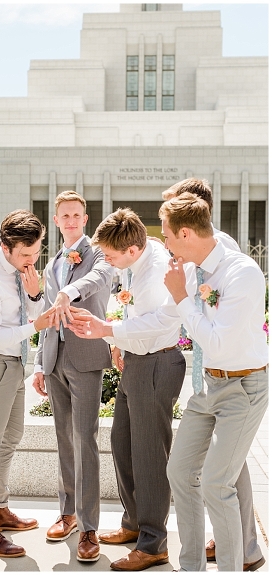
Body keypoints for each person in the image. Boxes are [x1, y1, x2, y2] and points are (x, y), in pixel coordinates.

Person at [67, 209, 186, 571]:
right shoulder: (139, 254)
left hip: (157, 364)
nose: (110, 263)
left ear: (133, 250)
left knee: (150, 459)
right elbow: (135, 311)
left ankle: (154, 544)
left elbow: (163, 321)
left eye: (114, 257)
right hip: (136, 361)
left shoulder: (157, 273)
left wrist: (107, 330)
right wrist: (120, 338)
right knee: (122, 445)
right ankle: (134, 523)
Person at [160, 194, 267, 572]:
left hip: (244, 389)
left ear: (186, 232)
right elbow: (169, 315)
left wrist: (181, 298)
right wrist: (111, 331)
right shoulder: (193, 269)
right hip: (208, 387)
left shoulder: (242, 273)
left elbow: (217, 340)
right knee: (179, 471)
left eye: (167, 235)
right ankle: (191, 567)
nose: (165, 243)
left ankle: (231, 568)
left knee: (216, 485)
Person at [0, 210, 55, 558]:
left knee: (11, 437)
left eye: (37, 253)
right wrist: (35, 325)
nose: (32, 261)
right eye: (25, 255)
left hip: (14, 364)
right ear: (5, 247)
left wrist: (34, 296)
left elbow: (33, 315)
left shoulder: (22, 272)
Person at [32, 190, 113, 562]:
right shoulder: (52, 263)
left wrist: (68, 291)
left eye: (76, 215)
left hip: (85, 357)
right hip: (54, 358)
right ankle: (67, 513)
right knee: (63, 439)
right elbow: (47, 317)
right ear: (55, 220)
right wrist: (38, 363)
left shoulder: (97, 253)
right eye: (64, 215)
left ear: (85, 218)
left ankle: (89, 528)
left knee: (85, 440)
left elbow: (99, 279)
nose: (70, 221)